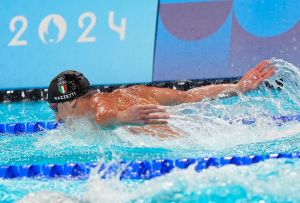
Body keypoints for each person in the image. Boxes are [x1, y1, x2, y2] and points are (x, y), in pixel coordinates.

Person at [48, 61, 275, 133]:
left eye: (55, 109)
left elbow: (103, 116)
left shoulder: (95, 103)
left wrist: (121, 118)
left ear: (72, 100)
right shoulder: (134, 92)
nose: (57, 118)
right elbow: (185, 97)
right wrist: (237, 87)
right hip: (191, 138)